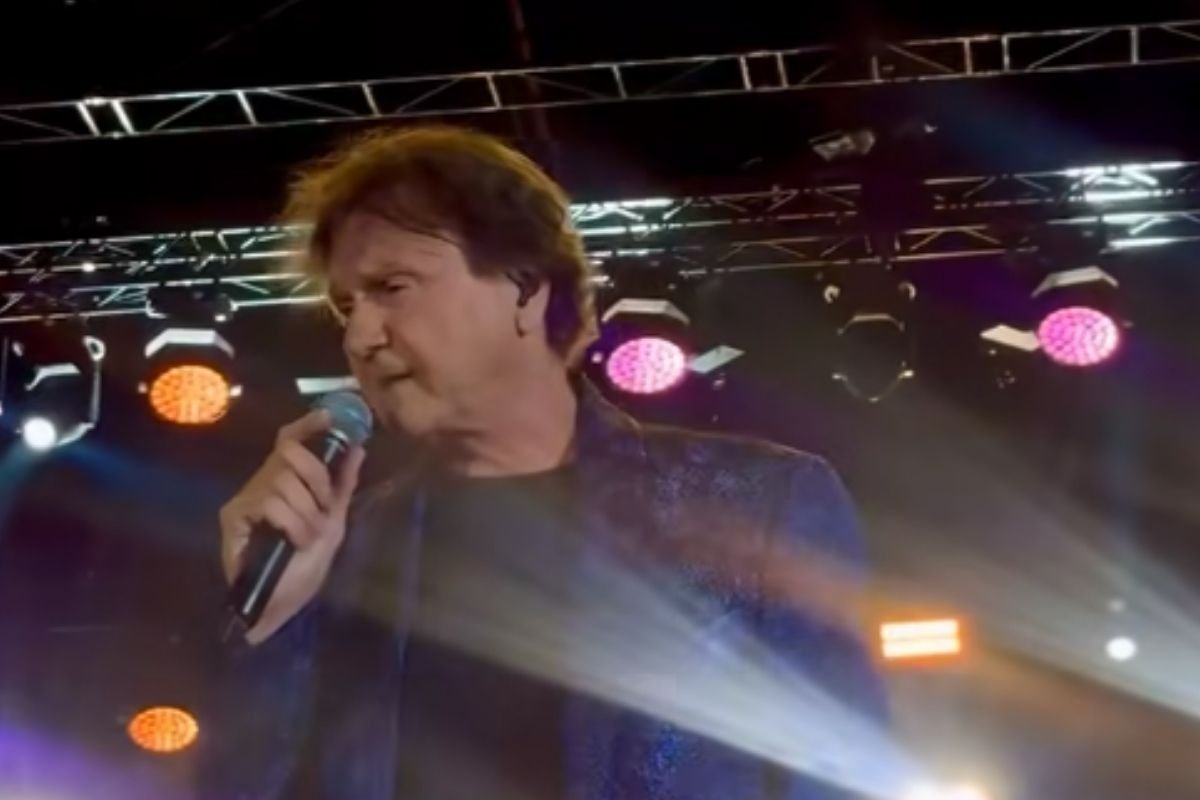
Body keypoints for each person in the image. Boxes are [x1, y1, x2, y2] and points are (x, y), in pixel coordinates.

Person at [201, 125, 888, 800]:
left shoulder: (757, 500)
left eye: (393, 287)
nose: (360, 336)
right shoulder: (340, 551)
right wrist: (270, 630)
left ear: (525, 289)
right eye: (345, 306)